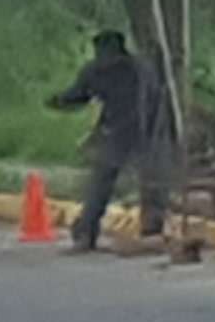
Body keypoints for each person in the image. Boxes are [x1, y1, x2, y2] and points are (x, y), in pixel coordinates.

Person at [45, 27, 173, 248]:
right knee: (152, 177)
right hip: (148, 127)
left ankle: (87, 230)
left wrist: (57, 101)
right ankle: (153, 222)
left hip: (119, 129)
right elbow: (155, 94)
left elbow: (78, 96)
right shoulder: (140, 68)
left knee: (102, 181)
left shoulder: (96, 71)